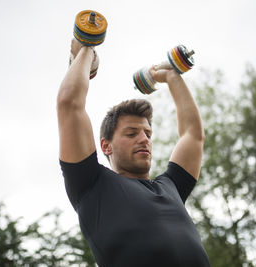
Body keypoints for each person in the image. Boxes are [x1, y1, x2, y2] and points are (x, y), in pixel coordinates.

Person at [57, 38, 210, 267]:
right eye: (131, 134)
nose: (143, 139)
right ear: (106, 146)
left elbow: (193, 134)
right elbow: (69, 103)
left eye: (148, 134)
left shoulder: (171, 187)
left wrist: (171, 77)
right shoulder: (91, 184)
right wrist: (87, 49)